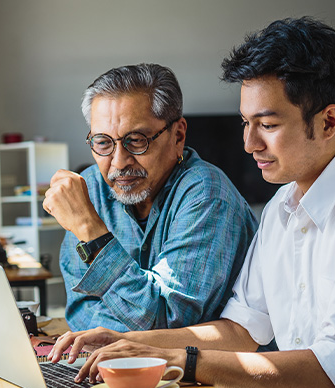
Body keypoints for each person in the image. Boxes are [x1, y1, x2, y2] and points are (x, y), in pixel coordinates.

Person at [47, 17, 335, 388]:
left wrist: (182, 360)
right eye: (245, 124)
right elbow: (241, 331)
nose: (249, 144)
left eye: (267, 124)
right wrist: (128, 343)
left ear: (328, 122)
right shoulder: (282, 208)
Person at [42, 63, 258, 332]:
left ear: (177, 135)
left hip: (205, 372)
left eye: (136, 140)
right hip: (118, 366)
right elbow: (81, 308)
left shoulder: (207, 194)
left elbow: (167, 319)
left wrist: (91, 231)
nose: (119, 162)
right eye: (103, 142)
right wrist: (119, 339)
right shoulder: (91, 189)